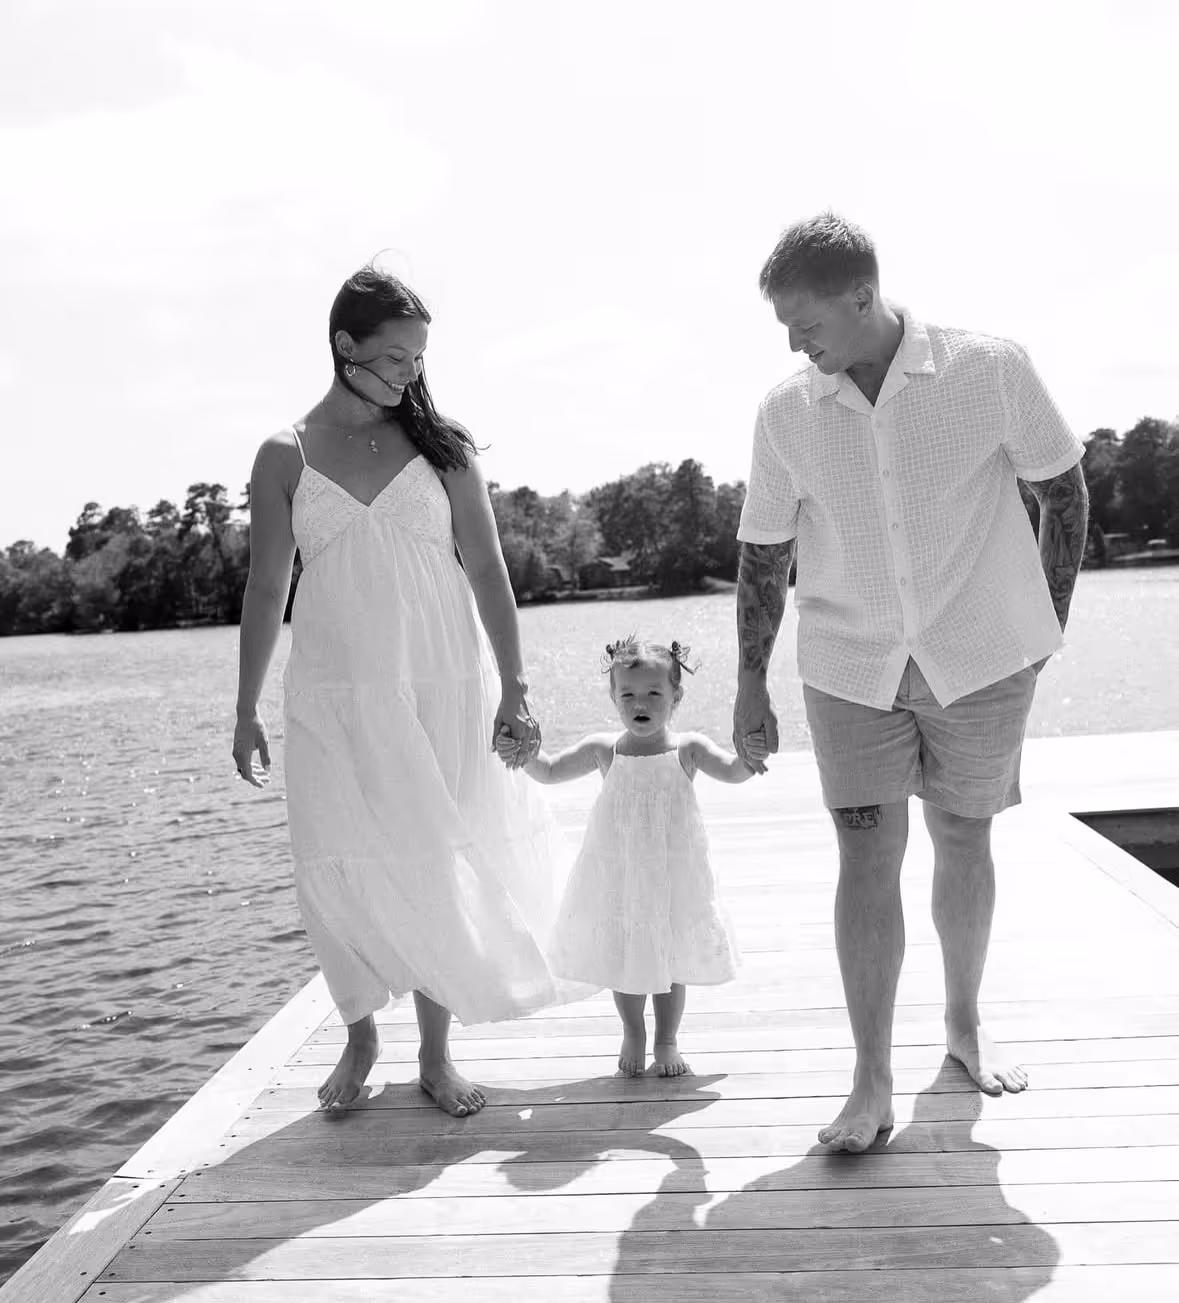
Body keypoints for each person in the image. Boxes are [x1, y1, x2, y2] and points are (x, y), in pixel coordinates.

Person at [731, 214, 1089, 1152]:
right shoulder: (783, 412)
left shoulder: (990, 368)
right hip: (848, 666)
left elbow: (1065, 488)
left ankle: (964, 1024)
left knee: (962, 836)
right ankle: (870, 1079)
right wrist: (747, 684)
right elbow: (762, 553)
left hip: (978, 654)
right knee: (864, 856)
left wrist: (1047, 621)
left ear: (862, 294)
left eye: (803, 320)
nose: (793, 341)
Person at [232, 264, 578, 1119]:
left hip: (446, 680)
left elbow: (489, 569)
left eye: (419, 358)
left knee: (438, 853)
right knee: (336, 854)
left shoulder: (444, 447)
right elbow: (265, 586)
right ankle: (359, 1032)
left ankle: (434, 1051)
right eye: (393, 357)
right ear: (343, 347)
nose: (409, 374)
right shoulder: (285, 454)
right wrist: (243, 706)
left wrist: (517, 687)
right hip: (338, 692)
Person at [499, 636, 756, 1077]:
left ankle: (667, 1039)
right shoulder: (605, 749)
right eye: (629, 694)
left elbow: (734, 772)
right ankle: (633, 1031)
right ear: (613, 697)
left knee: (671, 961)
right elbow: (549, 771)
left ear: (676, 696)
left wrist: (753, 753)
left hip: (673, 875)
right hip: (621, 873)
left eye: (654, 693)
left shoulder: (688, 748)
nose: (641, 702)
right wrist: (523, 752)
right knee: (626, 958)